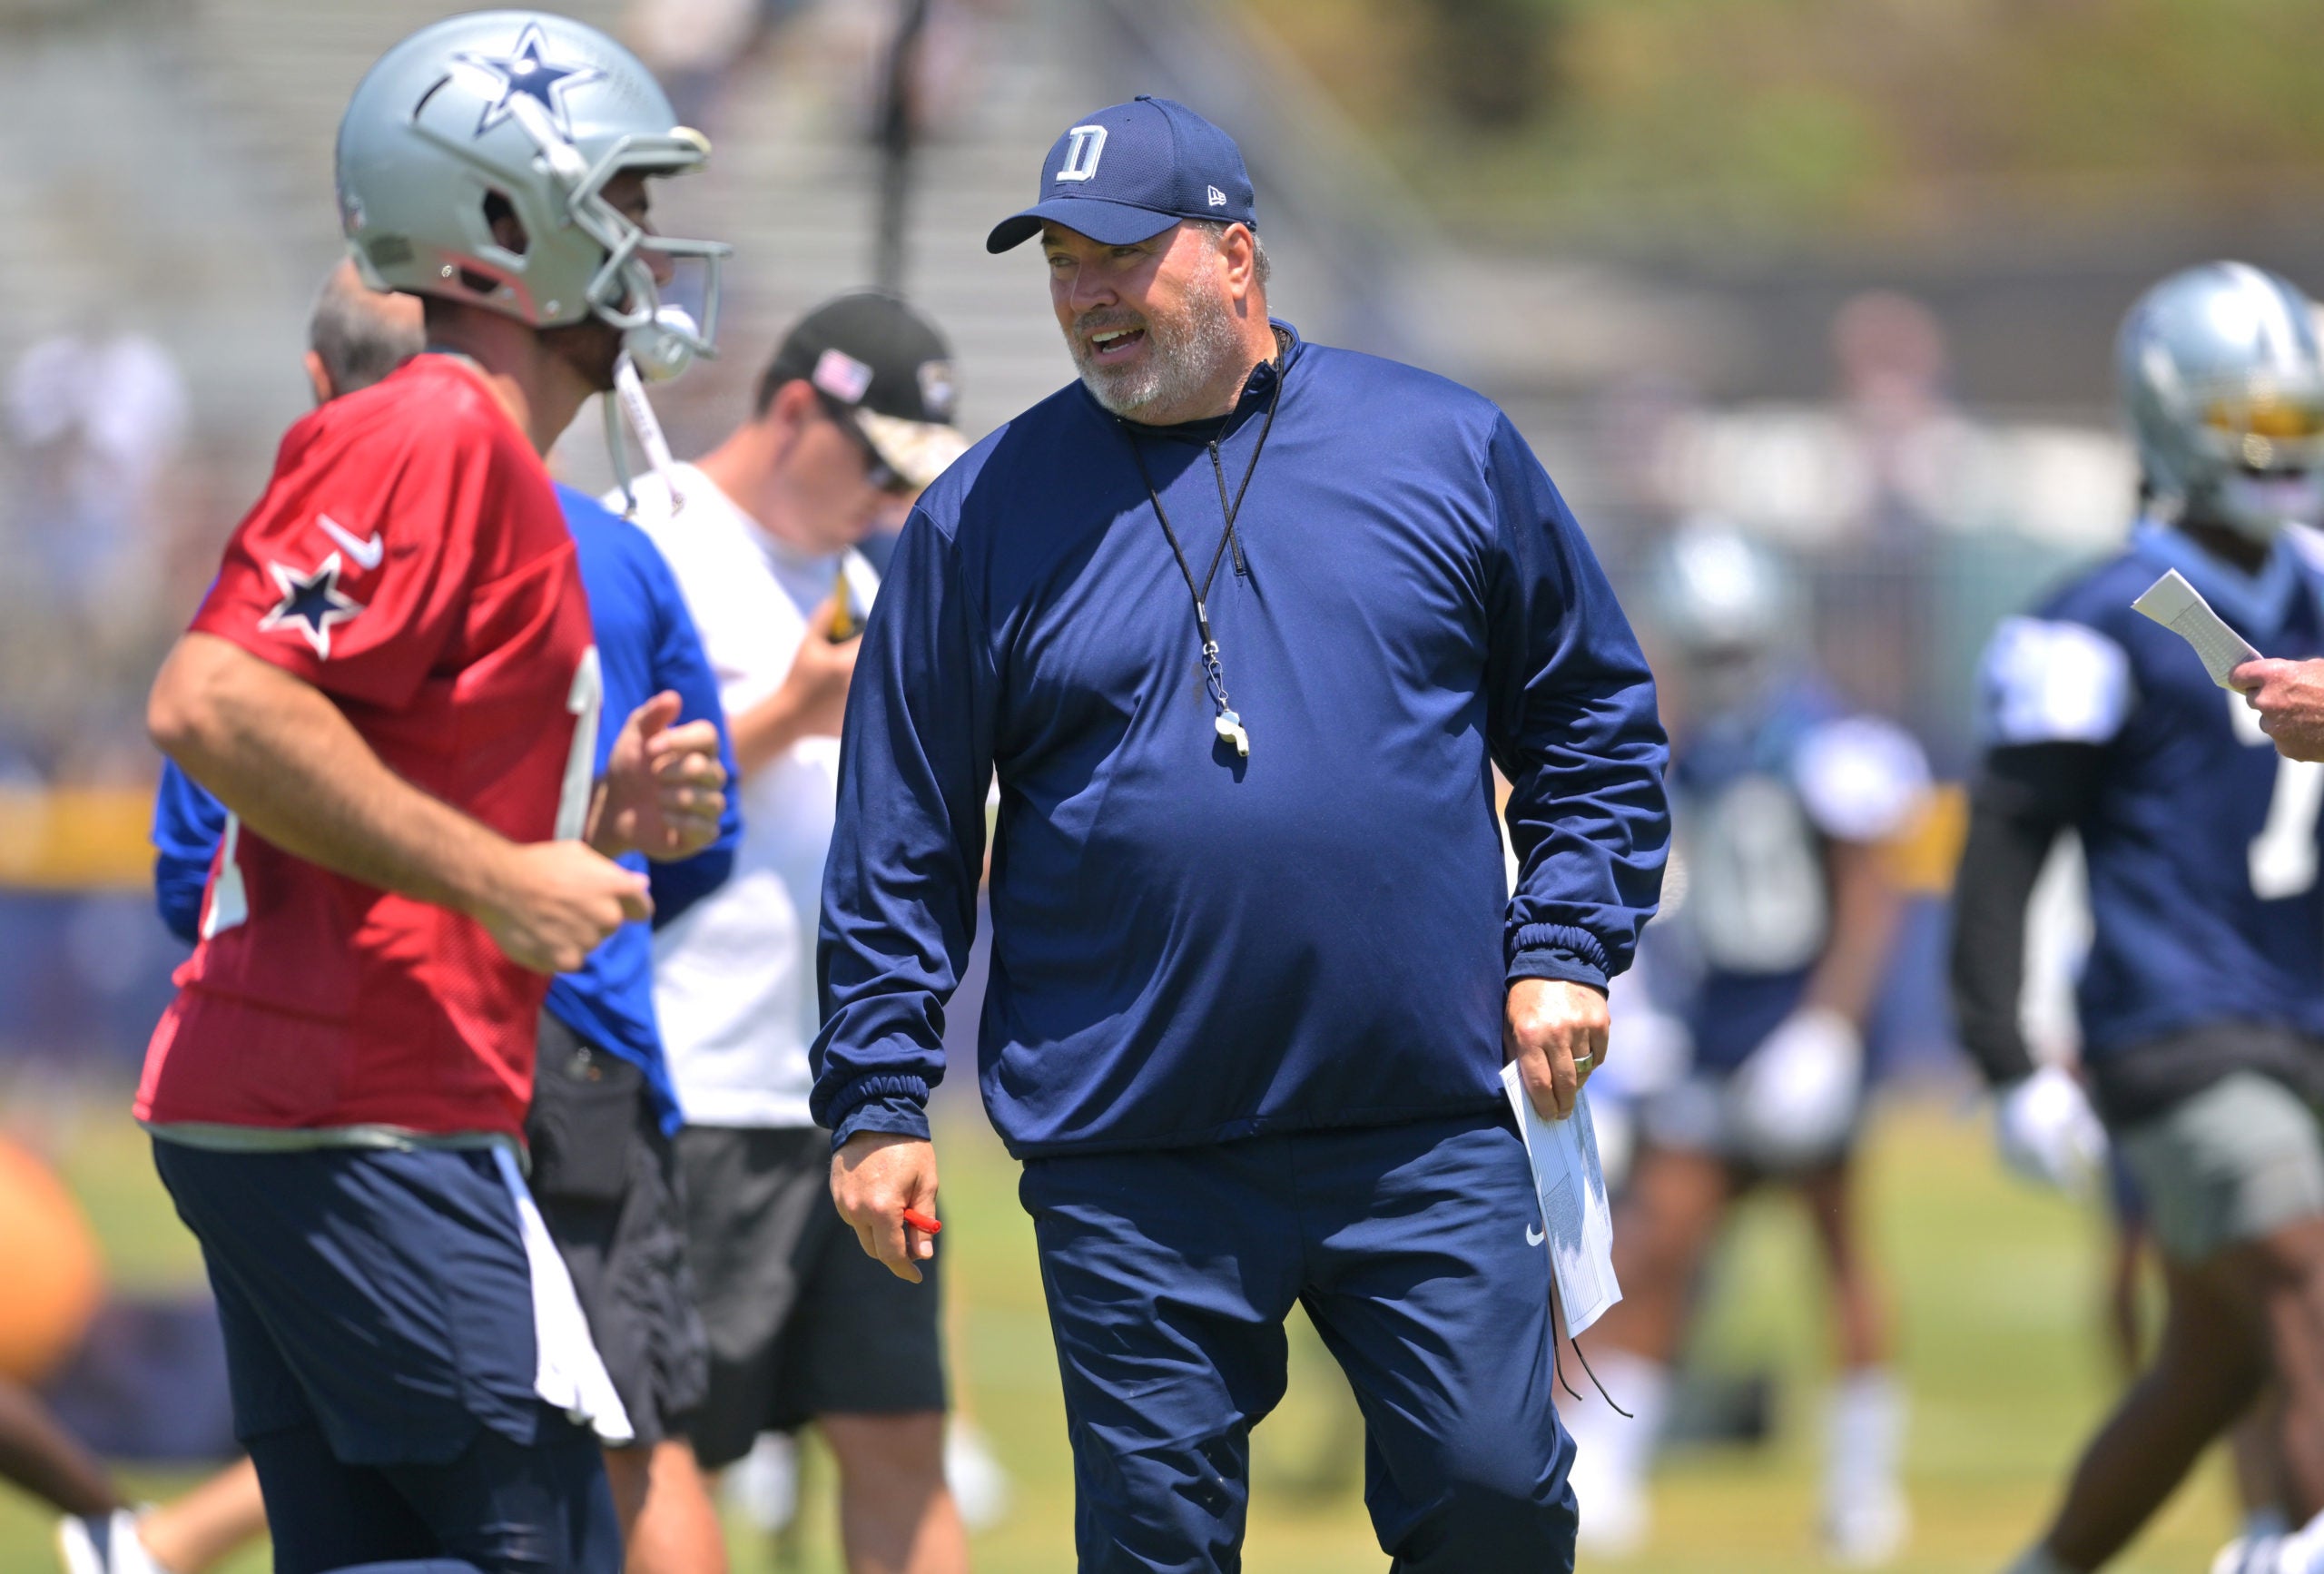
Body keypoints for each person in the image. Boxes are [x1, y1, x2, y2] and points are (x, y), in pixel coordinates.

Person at [813, 95, 1669, 1571]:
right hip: (1131, 1142)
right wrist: (880, 1095)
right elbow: (902, 833)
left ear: (1235, 253)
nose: (1087, 294)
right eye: (1062, 261)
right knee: (1157, 1545)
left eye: (1120, 255)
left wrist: (1566, 944)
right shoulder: (978, 516)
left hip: (1421, 1116)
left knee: (1497, 1499)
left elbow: (1592, 721)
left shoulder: (1443, 446)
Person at [133, 15, 732, 1573]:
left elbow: (373, 794)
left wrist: (586, 828)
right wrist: (501, 875)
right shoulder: (440, 424)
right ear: (501, 222)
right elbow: (212, 699)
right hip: (359, 1104)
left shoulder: (471, 449)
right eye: (622, 202)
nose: (647, 243)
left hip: (329, 1099)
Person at [1947, 261, 2324, 1574]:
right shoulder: (2093, 619)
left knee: (2211, 1362)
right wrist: (2003, 1058)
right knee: (2304, 1271)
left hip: (2305, 1011)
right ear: (2176, 419)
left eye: (2299, 420)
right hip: (2180, 1022)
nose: (2282, 449)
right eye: (2255, 422)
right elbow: (2004, 846)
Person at [615, 289, 972, 1574]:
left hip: (860, 1091)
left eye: (907, 475)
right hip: (694, 1078)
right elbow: (598, 799)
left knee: (901, 1435)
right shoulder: (650, 538)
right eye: (873, 462)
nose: (887, 496)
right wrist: (792, 709)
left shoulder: (871, 570)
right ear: (791, 411)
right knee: (663, 1447)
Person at [1562, 521, 1929, 1565]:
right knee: (1655, 1243)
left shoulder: (1828, 744)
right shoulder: (1680, 748)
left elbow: (1867, 903)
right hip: (1714, 1032)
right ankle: (1607, 1467)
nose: (1725, 668)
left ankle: (1862, 1483)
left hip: (1801, 1027)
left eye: (1736, 646)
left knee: (1837, 1247)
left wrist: (1827, 1028)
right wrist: (1647, 1014)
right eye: (1706, 649)